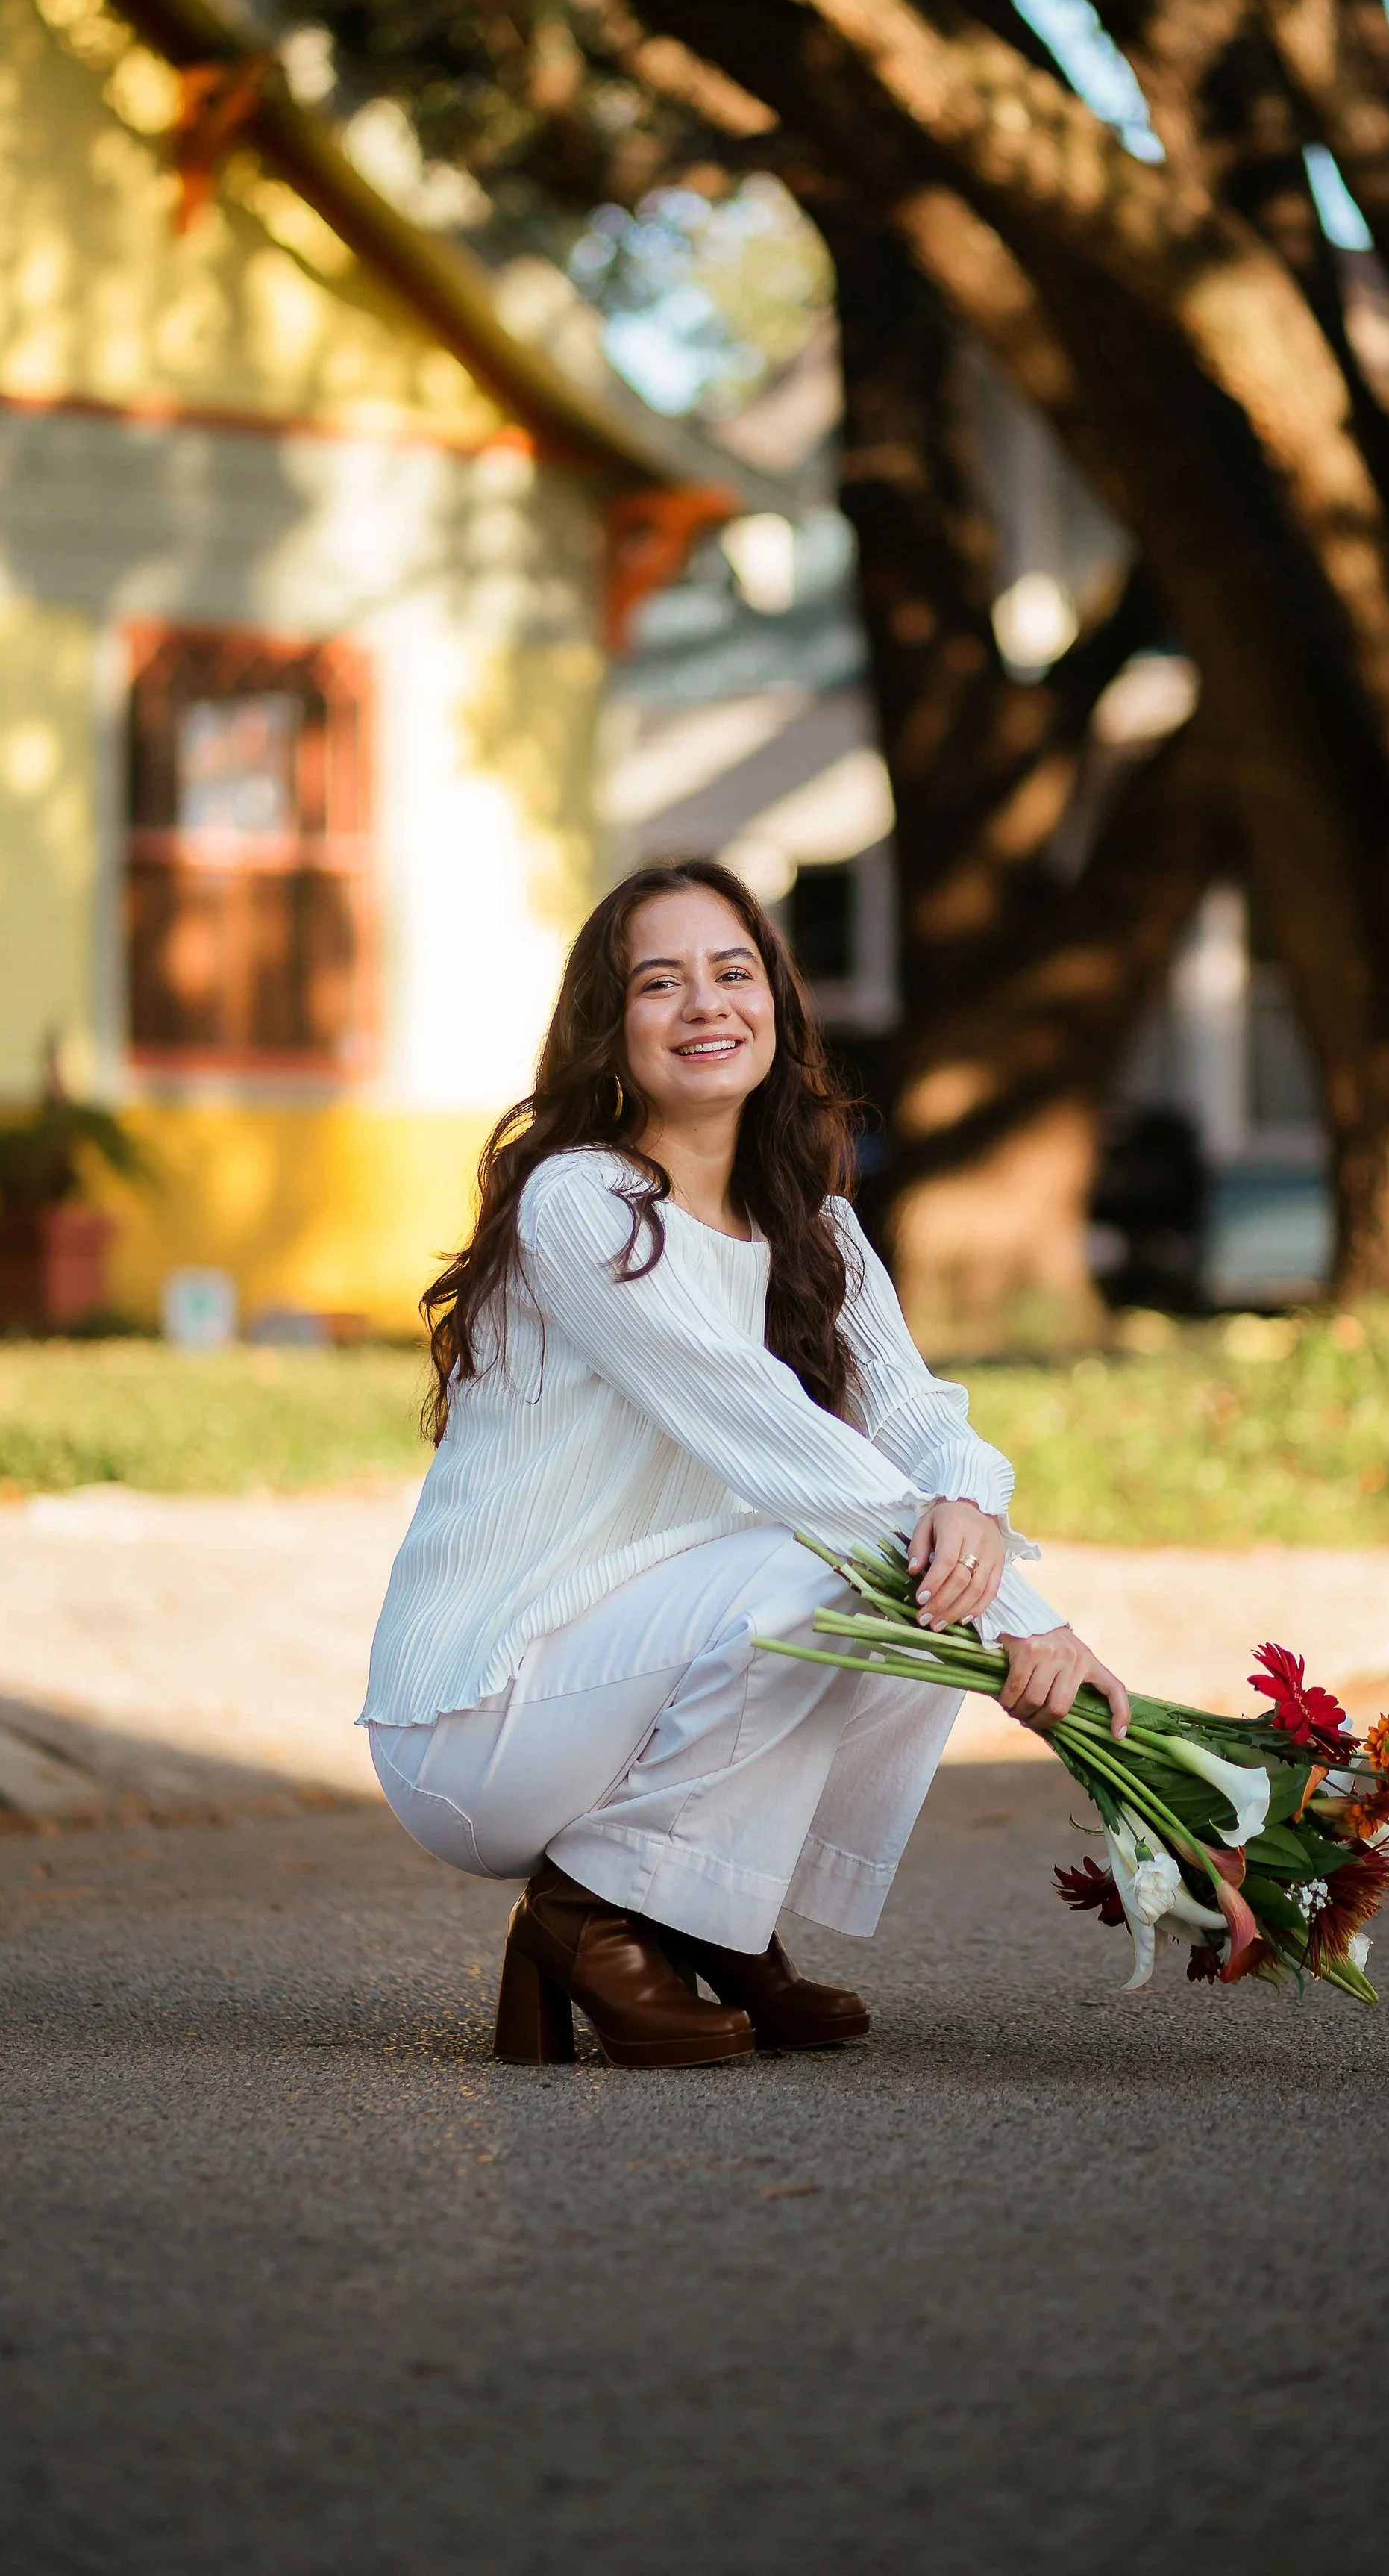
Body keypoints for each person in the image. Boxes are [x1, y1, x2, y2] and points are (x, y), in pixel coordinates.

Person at [360, 860, 1129, 2069]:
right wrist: (1023, 1619)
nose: (706, 1004)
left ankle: (703, 1911)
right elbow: (777, 1443)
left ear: (776, 999)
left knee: (918, 1563)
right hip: (483, 1709)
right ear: (610, 1032)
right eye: (660, 983)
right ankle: (593, 1913)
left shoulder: (806, 1220)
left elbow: (918, 1412)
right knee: (847, 1561)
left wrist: (976, 1504)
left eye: (733, 971)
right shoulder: (587, 1205)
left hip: (617, 1670)